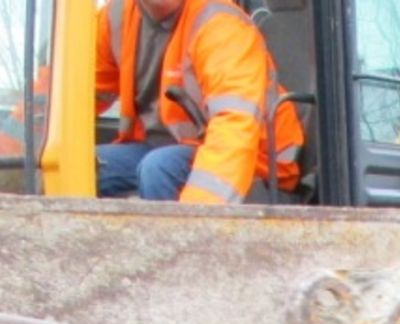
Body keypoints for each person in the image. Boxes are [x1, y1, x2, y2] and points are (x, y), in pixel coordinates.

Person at [93, 0, 302, 204]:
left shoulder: (220, 24)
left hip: (257, 163)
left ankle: (167, 237)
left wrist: (197, 221)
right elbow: (83, 91)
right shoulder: (115, 16)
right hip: (159, 146)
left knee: (159, 166)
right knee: (83, 166)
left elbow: (234, 129)